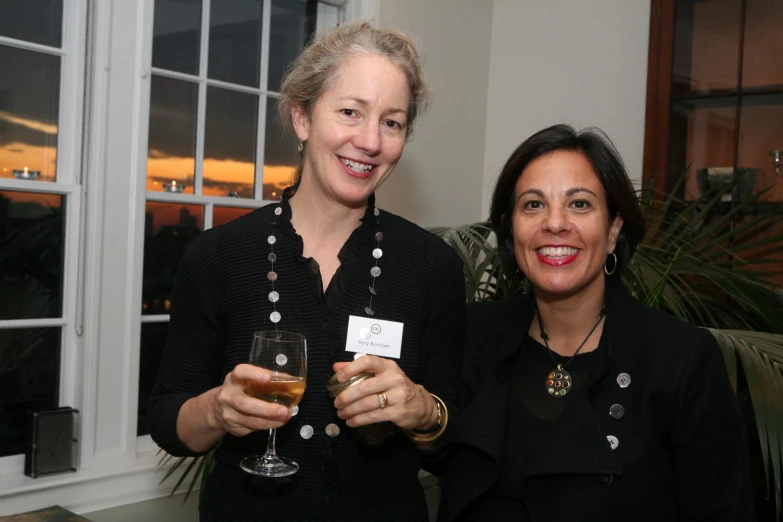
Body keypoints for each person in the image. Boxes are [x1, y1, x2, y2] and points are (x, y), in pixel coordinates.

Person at [148, 20, 465, 522]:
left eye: (392, 122)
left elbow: (453, 448)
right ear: (302, 118)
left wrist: (426, 412)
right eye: (349, 112)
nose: (369, 141)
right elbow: (168, 424)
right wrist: (217, 410)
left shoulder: (433, 266)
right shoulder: (217, 257)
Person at [437, 124, 755, 521]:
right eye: (533, 204)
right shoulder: (473, 335)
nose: (555, 223)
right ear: (510, 228)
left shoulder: (680, 359)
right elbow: (435, 456)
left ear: (613, 230)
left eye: (580, 204)